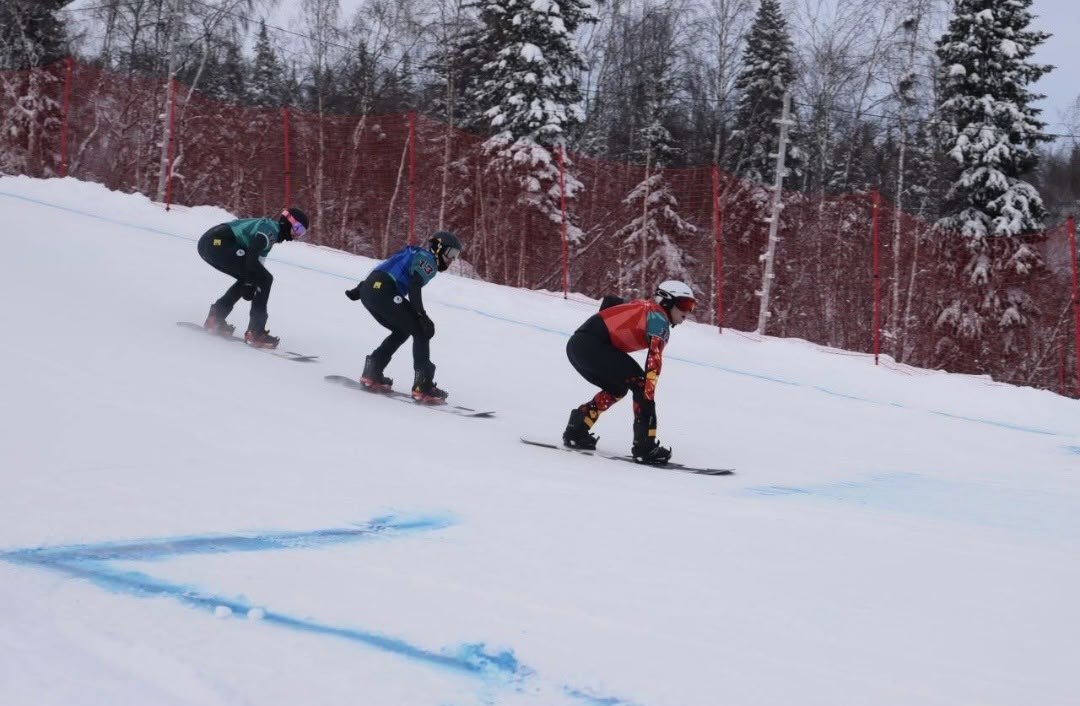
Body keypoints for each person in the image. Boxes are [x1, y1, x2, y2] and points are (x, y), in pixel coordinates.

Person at [562, 280, 697, 465]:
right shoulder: (658, 318)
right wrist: (647, 395)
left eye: (692, 306)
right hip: (593, 347)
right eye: (684, 304)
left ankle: (576, 430)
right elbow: (653, 363)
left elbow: (611, 304)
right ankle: (645, 447)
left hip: (577, 346)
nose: (687, 312)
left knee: (618, 388)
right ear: (666, 300)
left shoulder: (644, 307)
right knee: (642, 386)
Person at [344, 231, 463, 403]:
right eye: (451, 253)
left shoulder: (411, 251)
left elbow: (386, 267)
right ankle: (423, 386)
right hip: (384, 291)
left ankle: (372, 372)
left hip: (370, 290)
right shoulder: (428, 261)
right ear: (438, 249)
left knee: (402, 330)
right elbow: (415, 287)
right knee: (422, 331)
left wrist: (361, 288)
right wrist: (422, 315)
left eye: (456, 256)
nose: (453, 259)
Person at [198, 207, 310, 349]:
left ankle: (216, 318)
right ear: (288, 222)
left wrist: (251, 281)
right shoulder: (270, 230)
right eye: (298, 229)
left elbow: (256, 265)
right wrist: (251, 283)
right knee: (265, 279)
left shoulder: (270, 234)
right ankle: (255, 332)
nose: (297, 235)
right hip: (217, 242)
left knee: (257, 277)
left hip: (210, 244)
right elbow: (252, 256)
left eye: (302, 233)